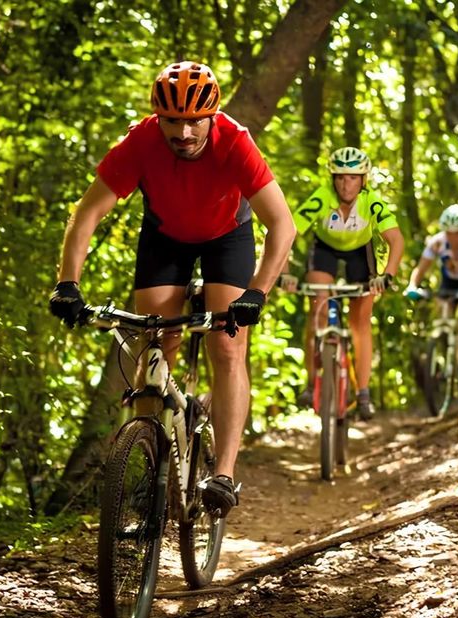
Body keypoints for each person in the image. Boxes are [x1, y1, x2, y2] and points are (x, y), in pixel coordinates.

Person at [48, 61, 296, 517]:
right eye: (172, 121)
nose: (183, 133)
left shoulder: (235, 141)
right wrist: (68, 282)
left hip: (227, 237)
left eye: (194, 121)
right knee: (155, 343)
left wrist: (257, 291)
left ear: (212, 116)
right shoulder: (141, 142)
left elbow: (282, 225)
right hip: (165, 238)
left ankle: (223, 475)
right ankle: (154, 463)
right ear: (157, 117)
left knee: (227, 346)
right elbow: (86, 214)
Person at [284, 147, 404, 420]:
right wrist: (285, 272)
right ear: (333, 179)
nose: (345, 184)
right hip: (324, 249)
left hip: (360, 253)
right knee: (317, 308)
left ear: (363, 180)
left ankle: (363, 393)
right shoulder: (323, 197)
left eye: (352, 178)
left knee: (360, 322)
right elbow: (288, 232)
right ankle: (311, 383)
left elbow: (396, 240)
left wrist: (387, 275)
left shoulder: (371, 201)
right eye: (339, 177)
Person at [404, 204, 458, 367]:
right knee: (441, 309)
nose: (453, 237)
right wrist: (412, 285)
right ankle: (443, 352)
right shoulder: (437, 243)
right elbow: (421, 268)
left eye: (457, 233)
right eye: (449, 233)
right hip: (449, 282)